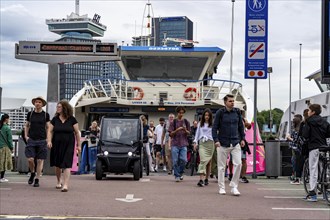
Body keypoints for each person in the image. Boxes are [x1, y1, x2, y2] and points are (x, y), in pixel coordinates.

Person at [212, 94, 245, 196]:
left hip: (235, 142)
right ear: (225, 102)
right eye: (230, 101)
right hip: (222, 143)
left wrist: (242, 138)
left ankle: (234, 186)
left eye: (233, 101)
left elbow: (240, 126)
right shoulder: (220, 113)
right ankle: (221, 187)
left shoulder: (237, 112)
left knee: (238, 163)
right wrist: (216, 140)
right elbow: (214, 127)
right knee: (221, 167)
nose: (232, 103)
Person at [47, 100, 81, 192]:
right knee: (58, 164)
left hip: (69, 144)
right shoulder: (55, 119)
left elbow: (77, 133)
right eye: (57, 107)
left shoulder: (72, 119)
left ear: (64, 108)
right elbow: (50, 131)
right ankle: (58, 181)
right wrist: (49, 141)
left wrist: (79, 145)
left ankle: (65, 184)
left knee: (67, 164)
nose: (57, 108)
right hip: (57, 144)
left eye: (59, 107)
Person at [302, 104, 330, 202]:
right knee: (323, 168)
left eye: (309, 110)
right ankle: (325, 190)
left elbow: (305, 135)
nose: (308, 112)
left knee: (313, 169)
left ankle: (313, 193)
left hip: (314, 147)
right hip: (324, 147)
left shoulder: (309, 121)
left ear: (313, 112)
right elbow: (328, 133)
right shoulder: (324, 121)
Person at [24, 96, 50, 187]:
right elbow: (27, 125)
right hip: (31, 139)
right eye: (36, 102)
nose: (37, 103)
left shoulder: (46, 115)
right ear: (34, 103)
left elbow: (48, 127)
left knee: (40, 160)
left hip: (42, 139)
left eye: (39, 102)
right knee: (30, 159)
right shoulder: (30, 114)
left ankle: (37, 179)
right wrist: (26, 136)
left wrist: (48, 138)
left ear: (42, 104)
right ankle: (32, 173)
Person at [168, 106, 191, 182]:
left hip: (184, 143)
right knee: (175, 160)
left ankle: (180, 172)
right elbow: (170, 134)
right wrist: (176, 130)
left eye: (182, 113)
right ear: (177, 113)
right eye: (179, 112)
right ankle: (177, 175)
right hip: (175, 143)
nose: (181, 114)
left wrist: (185, 130)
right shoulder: (173, 122)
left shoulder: (186, 121)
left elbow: (189, 133)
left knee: (184, 160)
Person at [193, 108, 214, 187]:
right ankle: (201, 179)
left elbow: (215, 134)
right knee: (202, 161)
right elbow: (197, 133)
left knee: (208, 162)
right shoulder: (200, 124)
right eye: (205, 115)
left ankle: (206, 179)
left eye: (208, 115)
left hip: (210, 143)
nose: (207, 117)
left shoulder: (213, 124)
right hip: (202, 143)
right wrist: (195, 142)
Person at [228, 116, 252, 183]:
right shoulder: (232, 119)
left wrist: (246, 123)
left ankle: (243, 176)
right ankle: (230, 174)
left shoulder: (243, 119)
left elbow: (249, 127)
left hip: (242, 141)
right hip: (234, 141)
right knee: (232, 160)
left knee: (243, 159)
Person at [286, 114, 303, 184]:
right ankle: (298, 177)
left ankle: (297, 178)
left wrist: (289, 137)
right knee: (297, 163)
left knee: (295, 163)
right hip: (299, 148)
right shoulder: (300, 128)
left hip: (295, 148)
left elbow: (295, 140)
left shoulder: (296, 130)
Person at [0, 114, 13, 183]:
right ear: (6, 119)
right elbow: (10, 140)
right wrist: (11, 148)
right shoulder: (7, 128)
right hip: (4, 147)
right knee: (3, 162)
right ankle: (2, 177)